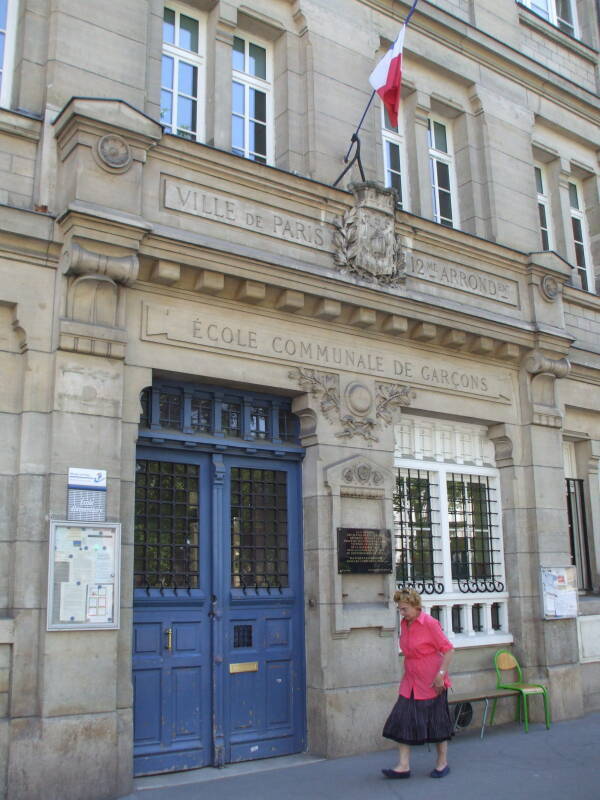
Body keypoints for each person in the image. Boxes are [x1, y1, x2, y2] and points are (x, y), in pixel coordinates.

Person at [381, 588, 454, 780]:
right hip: (411, 680)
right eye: (400, 609)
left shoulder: (430, 623)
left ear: (416, 606)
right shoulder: (405, 624)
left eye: (404, 609)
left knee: (437, 723)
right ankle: (403, 765)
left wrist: (441, 675)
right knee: (403, 719)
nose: (401, 613)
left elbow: (448, 650)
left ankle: (442, 763)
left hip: (432, 681)